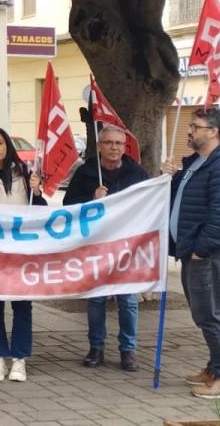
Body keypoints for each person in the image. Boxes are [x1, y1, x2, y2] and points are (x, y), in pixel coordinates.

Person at [162, 109, 220, 399]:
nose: (189, 131)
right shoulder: (198, 163)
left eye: (196, 127)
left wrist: (201, 249)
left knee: (210, 315)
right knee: (205, 313)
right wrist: (170, 178)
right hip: (194, 251)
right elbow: (184, 200)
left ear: (214, 132)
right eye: (190, 125)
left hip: (209, 254)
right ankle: (215, 369)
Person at [63, 125, 149, 372]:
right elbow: (69, 207)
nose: (114, 148)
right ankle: (96, 348)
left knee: (128, 301)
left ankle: (128, 351)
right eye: (109, 143)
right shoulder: (86, 173)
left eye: (118, 144)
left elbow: (148, 206)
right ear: (99, 146)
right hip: (96, 246)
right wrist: (92, 200)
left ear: (125, 147)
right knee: (96, 299)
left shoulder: (137, 173)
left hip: (127, 247)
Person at [0, 127, 45, 383]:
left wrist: (36, 191)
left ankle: (19, 358)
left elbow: (39, 212)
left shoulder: (24, 174)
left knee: (22, 305)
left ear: (7, 145)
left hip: (19, 253)